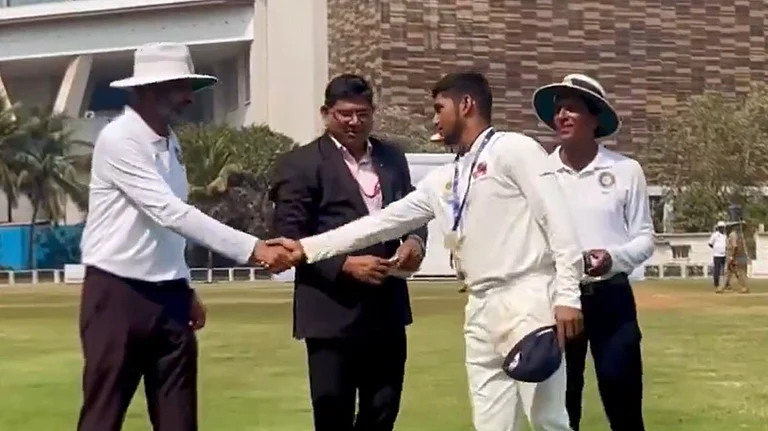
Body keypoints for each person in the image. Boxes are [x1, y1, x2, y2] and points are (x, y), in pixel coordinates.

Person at [271, 72, 585, 431]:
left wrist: (568, 297)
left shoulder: (515, 149)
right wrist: (305, 248)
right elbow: (381, 223)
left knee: (548, 420)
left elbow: (559, 222)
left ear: (466, 105)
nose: (434, 118)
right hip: (480, 305)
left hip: (527, 296)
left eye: (439, 108)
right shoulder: (448, 176)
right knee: (492, 425)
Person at [76, 42, 292, 431]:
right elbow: (169, 211)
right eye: (178, 87)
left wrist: (185, 286)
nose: (188, 99)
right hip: (117, 293)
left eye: (189, 88)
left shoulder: (170, 142)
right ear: (145, 90)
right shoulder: (119, 138)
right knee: (103, 416)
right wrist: (253, 248)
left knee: (179, 419)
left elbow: (169, 228)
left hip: (170, 296)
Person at [268, 74, 428, 431]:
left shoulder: (392, 158)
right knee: (333, 416)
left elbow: (416, 211)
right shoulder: (300, 164)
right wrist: (344, 264)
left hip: (386, 309)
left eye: (363, 113)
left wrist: (415, 241)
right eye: (345, 114)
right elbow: (287, 236)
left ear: (373, 113)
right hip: (330, 313)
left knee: (382, 411)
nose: (355, 122)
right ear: (326, 113)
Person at [531, 73, 655, 431]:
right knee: (561, 407)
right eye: (558, 111)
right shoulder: (540, 174)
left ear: (595, 118)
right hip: (558, 300)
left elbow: (645, 238)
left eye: (572, 109)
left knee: (624, 401)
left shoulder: (626, 170)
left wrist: (613, 258)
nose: (562, 117)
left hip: (611, 298)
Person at [724, 221, 749, 294]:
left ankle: (744, 287)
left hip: (735, 254)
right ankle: (726, 285)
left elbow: (735, 246)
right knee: (730, 270)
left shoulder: (733, 235)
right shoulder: (741, 235)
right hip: (739, 254)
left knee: (739, 271)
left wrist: (732, 256)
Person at [708, 221, 727, 292]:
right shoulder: (715, 235)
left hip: (725, 254)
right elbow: (710, 243)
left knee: (725, 270)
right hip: (717, 255)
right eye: (720, 228)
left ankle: (725, 284)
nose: (722, 229)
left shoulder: (725, 235)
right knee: (717, 270)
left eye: (723, 228)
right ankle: (716, 283)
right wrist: (716, 248)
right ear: (718, 228)